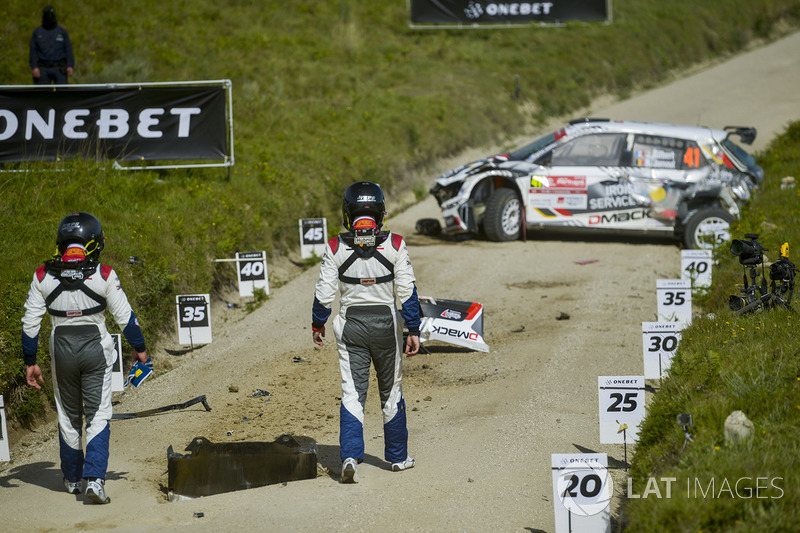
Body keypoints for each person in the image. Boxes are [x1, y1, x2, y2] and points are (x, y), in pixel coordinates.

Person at [21, 212, 149, 504]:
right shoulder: (104, 274)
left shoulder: (43, 276)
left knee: (67, 417)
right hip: (96, 349)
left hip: (61, 350)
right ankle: (95, 480)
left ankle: (72, 479)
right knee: (99, 413)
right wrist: (140, 349)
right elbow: (126, 319)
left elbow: (29, 325)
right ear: (95, 241)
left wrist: (30, 361)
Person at [311, 181, 421, 484]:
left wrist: (317, 323)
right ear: (381, 212)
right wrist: (413, 328)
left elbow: (323, 295)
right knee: (391, 393)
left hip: (351, 330)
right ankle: (398, 458)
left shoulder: (335, 247)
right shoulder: (396, 244)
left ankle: (349, 456)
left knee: (352, 393)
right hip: (387, 328)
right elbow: (408, 292)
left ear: (348, 213)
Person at [29, 5, 75, 85]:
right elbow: (33, 51)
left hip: (59, 68)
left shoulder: (62, 32)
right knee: (43, 95)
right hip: (43, 68)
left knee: (62, 94)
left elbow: (68, 49)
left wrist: (70, 65)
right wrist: (34, 67)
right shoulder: (37, 32)